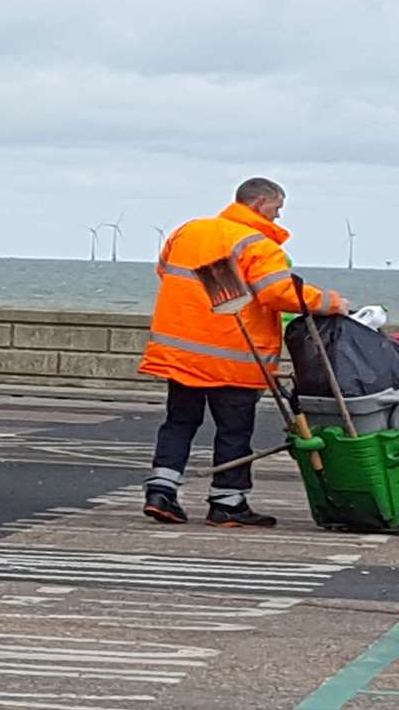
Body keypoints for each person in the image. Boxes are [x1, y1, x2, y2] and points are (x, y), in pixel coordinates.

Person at [138, 178, 350, 528]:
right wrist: (332, 303)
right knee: (234, 430)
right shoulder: (257, 244)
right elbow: (278, 293)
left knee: (179, 423)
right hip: (232, 356)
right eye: (277, 208)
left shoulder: (189, 231)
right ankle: (228, 502)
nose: (279, 217)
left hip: (181, 354)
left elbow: (166, 272)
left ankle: (161, 492)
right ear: (259, 204)